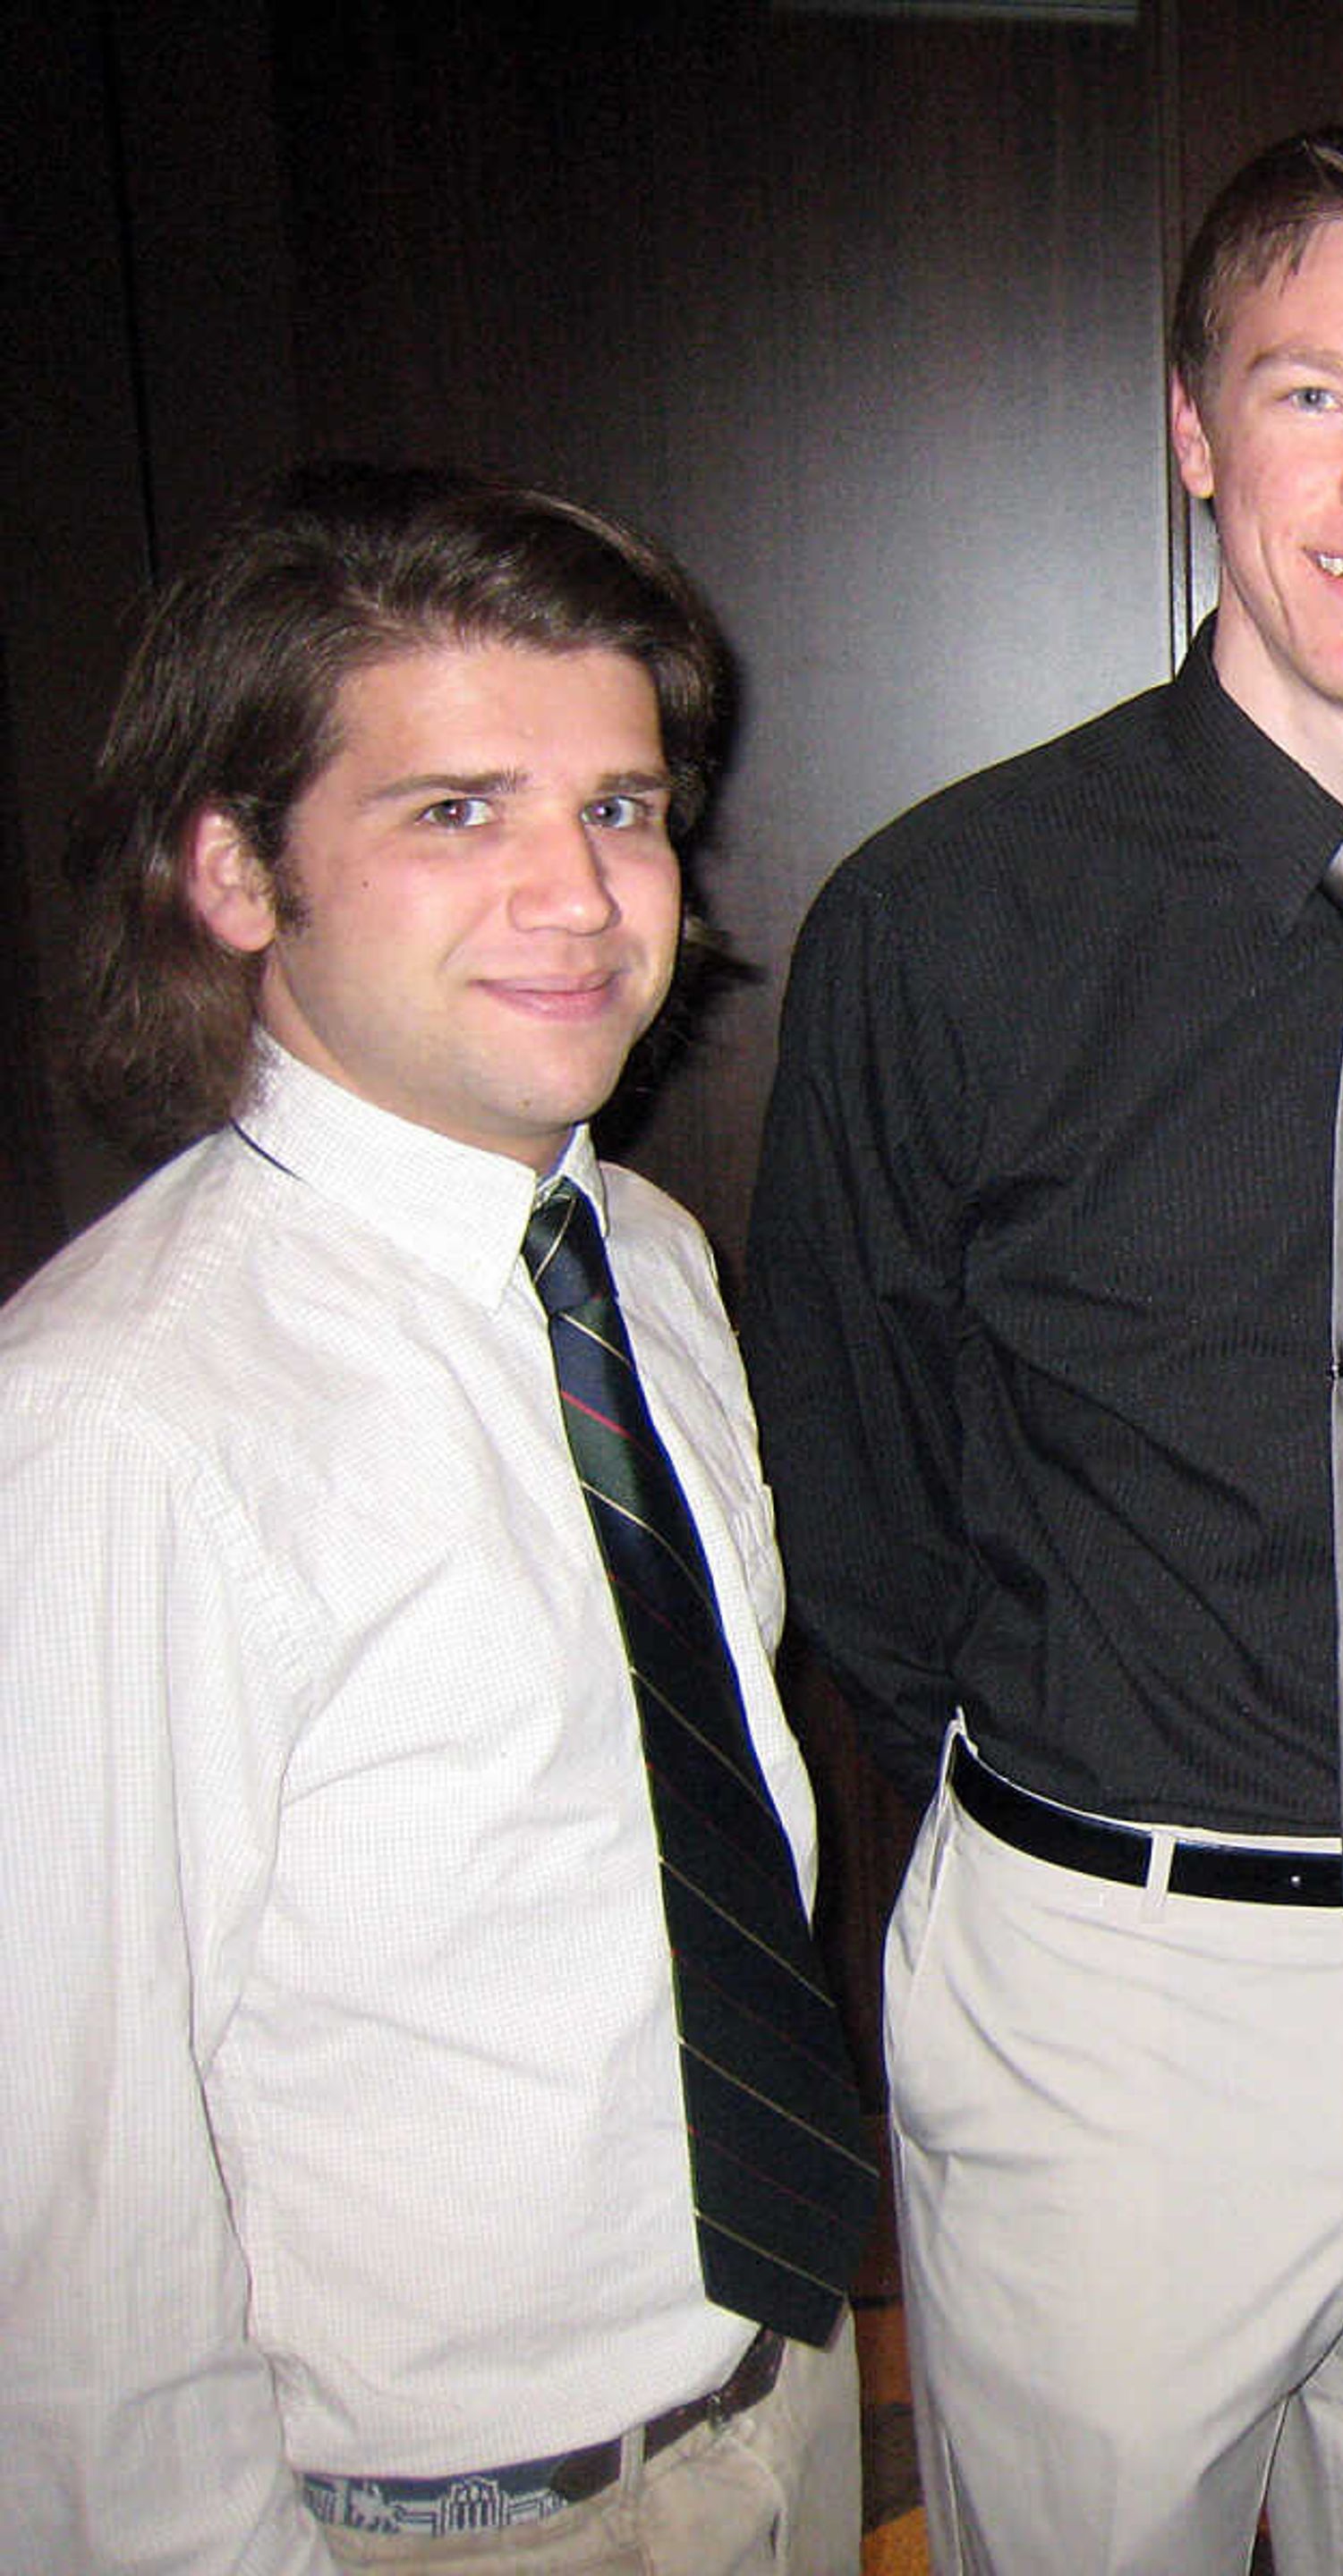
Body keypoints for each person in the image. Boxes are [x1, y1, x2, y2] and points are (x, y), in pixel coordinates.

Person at [743, 127, 1343, 2574]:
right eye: (1312, 395)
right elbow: (846, 1497)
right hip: (1109, 1990)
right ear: (1195, 429)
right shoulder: (942, 924)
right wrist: (1057, 1807)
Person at [0, 464, 873, 2574]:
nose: (581, 896)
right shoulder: (121, 1423)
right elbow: (64, 2205)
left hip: (778, 2389)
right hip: (431, 2522)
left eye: (625, 806)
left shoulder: (643, 1254)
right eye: (456, 811)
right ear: (232, 870)